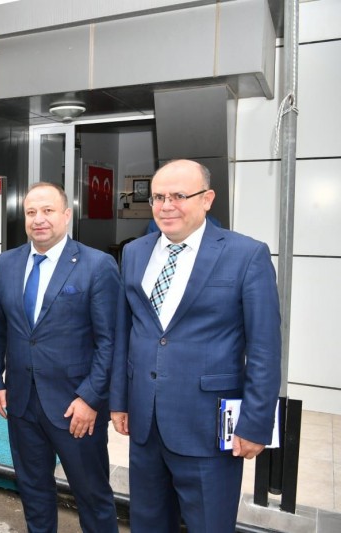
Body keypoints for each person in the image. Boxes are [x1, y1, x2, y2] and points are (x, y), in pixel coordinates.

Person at [109, 159, 281, 532]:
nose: (166, 205)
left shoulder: (247, 254)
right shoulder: (135, 252)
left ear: (207, 199)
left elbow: (265, 348)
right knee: (148, 523)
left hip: (207, 426)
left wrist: (256, 423)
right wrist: (119, 400)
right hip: (145, 423)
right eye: (158, 197)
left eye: (179, 196)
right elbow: (127, 331)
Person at [0, 182, 120, 533]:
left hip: (76, 406)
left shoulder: (97, 265)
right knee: (33, 491)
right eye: (31, 212)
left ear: (66, 215)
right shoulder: (7, 263)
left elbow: (110, 341)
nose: (38, 219)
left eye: (47, 211)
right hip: (22, 402)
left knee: (92, 496)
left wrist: (91, 398)